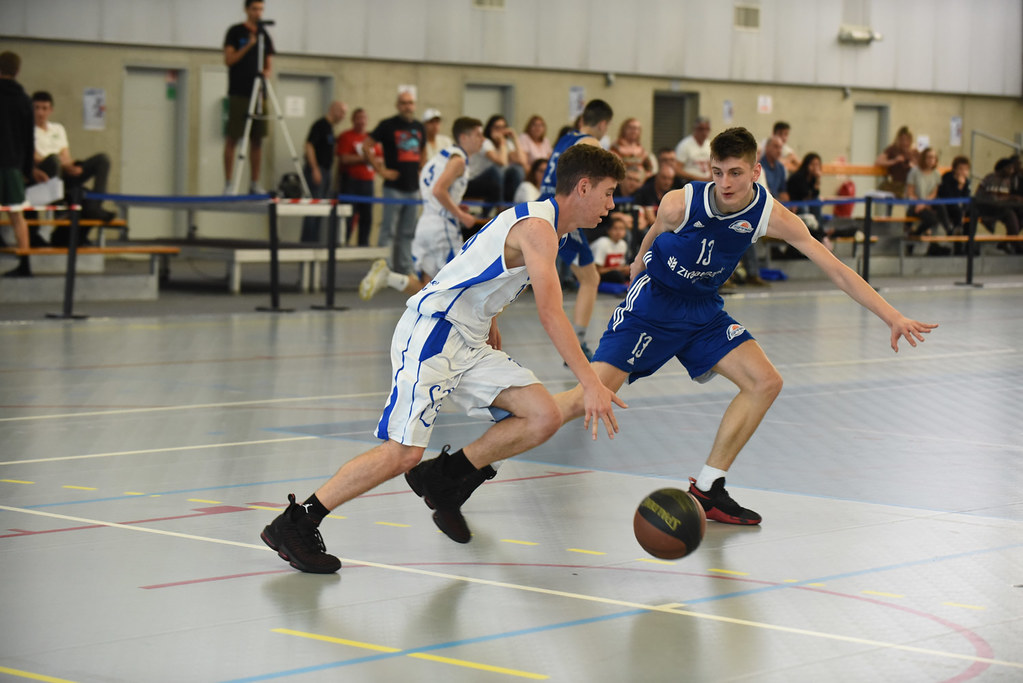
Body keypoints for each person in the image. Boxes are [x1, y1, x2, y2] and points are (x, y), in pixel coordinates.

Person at [419, 127, 937, 538]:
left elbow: (836, 268)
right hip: (651, 309)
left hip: (703, 311)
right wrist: (642, 260)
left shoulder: (771, 215)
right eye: (718, 172)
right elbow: (654, 233)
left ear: (757, 170)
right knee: (579, 403)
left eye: (736, 172)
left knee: (765, 381)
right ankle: (457, 471)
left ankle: (710, 487)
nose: (726, 182)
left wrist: (890, 315)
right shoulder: (681, 202)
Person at [260, 144, 627, 572]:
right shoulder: (539, 229)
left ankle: (446, 479)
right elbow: (550, 312)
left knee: (542, 415)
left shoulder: (545, 225)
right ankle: (297, 523)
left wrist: (490, 313)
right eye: (608, 192)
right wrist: (590, 383)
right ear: (583, 187)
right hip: (434, 333)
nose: (611, 204)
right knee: (402, 454)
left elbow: (475, 262)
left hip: (468, 339)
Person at [358, 116, 485, 300]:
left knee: (428, 288)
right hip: (442, 227)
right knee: (459, 284)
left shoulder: (440, 157)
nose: (482, 139)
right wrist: (459, 214)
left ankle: (389, 278)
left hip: (426, 223)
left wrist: (454, 206)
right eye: (478, 135)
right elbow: (438, 190)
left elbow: (436, 190)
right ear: (464, 137)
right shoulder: (458, 161)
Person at [540, 99, 615, 361]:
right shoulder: (589, 142)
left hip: (546, 206)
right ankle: (576, 344)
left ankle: (577, 342)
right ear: (603, 124)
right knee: (589, 279)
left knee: (587, 277)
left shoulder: (565, 137)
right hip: (560, 211)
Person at [32, 91, 116, 245]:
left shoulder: (57, 129)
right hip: (45, 174)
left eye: (44, 108)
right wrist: (60, 162)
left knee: (102, 159)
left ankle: (96, 205)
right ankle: (59, 206)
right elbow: (35, 158)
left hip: (64, 172)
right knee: (53, 159)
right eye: (37, 108)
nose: (40, 112)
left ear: (50, 110)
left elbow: (66, 155)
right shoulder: (29, 131)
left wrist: (72, 167)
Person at [364, 89, 426, 277]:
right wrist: (380, 170)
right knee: (388, 230)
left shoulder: (419, 126)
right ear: (398, 105)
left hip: (413, 188)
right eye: (404, 103)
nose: (408, 107)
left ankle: (404, 267)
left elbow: (422, 151)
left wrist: (421, 170)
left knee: (408, 232)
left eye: (410, 103)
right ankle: (385, 268)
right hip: (394, 188)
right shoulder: (387, 125)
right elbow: (367, 145)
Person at [223, 0, 274, 194]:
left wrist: (266, 74)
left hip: (259, 93)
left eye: (261, 9)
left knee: (257, 139)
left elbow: (268, 64)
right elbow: (229, 60)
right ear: (246, 10)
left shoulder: (265, 35)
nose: (258, 12)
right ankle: (228, 182)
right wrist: (248, 46)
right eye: (254, 9)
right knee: (233, 138)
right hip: (239, 92)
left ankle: (254, 183)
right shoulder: (235, 32)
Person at [0, 51, 33, 277]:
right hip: (13, 166)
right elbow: (28, 139)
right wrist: (27, 170)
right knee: (17, 216)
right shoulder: (23, 99)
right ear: (18, 71)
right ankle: (25, 264)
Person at [300, 100, 346, 244]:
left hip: (326, 171)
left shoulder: (331, 128)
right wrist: (314, 169)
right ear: (334, 110)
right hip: (317, 169)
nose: (343, 116)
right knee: (313, 207)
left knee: (321, 208)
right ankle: (308, 242)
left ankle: (315, 241)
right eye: (342, 112)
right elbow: (309, 146)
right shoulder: (320, 125)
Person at [336, 107, 377, 246]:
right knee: (348, 215)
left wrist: (370, 159)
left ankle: (363, 245)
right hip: (351, 181)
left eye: (363, 118)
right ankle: (343, 243)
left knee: (366, 217)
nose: (361, 121)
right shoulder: (346, 136)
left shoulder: (371, 138)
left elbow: (379, 159)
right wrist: (365, 158)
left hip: (368, 181)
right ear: (353, 120)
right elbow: (345, 159)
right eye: (358, 118)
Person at [466, 115, 527, 208]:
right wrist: (502, 142)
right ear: (490, 128)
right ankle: (501, 208)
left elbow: (523, 161)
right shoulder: (485, 142)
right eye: (497, 127)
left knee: (517, 169)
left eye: (503, 127)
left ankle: (511, 207)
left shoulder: (507, 144)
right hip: (475, 180)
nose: (500, 131)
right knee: (496, 170)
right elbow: (502, 162)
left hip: (495, 183)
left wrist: (515, 138)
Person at [905, 147, 952, 255]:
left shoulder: (936, 174)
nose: (931, 160)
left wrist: (925, 203)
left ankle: (949, 229)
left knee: (940, 204)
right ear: (924, 158)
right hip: (914, 204)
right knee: (932, 220)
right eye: (929, 157)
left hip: (928, 203)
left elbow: (934, 193)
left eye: (934, 158)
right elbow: (910, 192)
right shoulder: (914, 172)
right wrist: (920, 203)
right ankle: (914, 237)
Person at [975, 156, 1023, 252]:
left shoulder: (1008, 180)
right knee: (1009, 214)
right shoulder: (992, 178)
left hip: (999, 207)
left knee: (1020, 214)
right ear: (1004, 168)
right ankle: (1017, 245)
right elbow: (993, 199)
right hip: (985, 207)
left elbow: (1004, 197)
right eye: (1010, 168)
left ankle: (1007, 242)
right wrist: (1012, 198)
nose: (1012, 170)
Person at [875, 126, 918, 200]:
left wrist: (914, 165)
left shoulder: (915, 152)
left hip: (912, 185)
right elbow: (878, 161)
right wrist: (894, 161)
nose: (905, 143)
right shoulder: (893, 149)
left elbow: (924, 166)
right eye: (902, 139)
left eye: (907, 139)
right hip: (898, 185)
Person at [591, 214, 631, 292]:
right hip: (598, 274)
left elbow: (621, 266)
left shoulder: (623, 244)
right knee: (616, 275)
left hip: (613, 272)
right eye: (615, 229)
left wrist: (625, 269)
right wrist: (617, 269)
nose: (618, 232)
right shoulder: (602, 243)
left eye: (622, 229)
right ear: (608, 230)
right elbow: (596, 270)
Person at [937, 155, 971, 232]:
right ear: (954, 169)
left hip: (959, 209)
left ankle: (968, 238)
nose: (963, 172)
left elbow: (966, 198)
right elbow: (950, 197)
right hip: (947, 207)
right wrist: (959, 186)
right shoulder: (947, 177)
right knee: (957, 210)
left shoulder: (967, 181)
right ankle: (956, 230)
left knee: (972, 211)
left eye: (966, 169)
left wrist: (964, 211)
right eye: (961, 169)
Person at [674, 116, 712, 182]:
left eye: (707, 129)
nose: (704, 132)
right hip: (689, 182)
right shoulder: (685, 145)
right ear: (695, 129)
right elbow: (677, 169)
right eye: (701, 129)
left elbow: (712, 165)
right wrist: (698, 178)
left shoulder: (710, 145)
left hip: (707, 181)